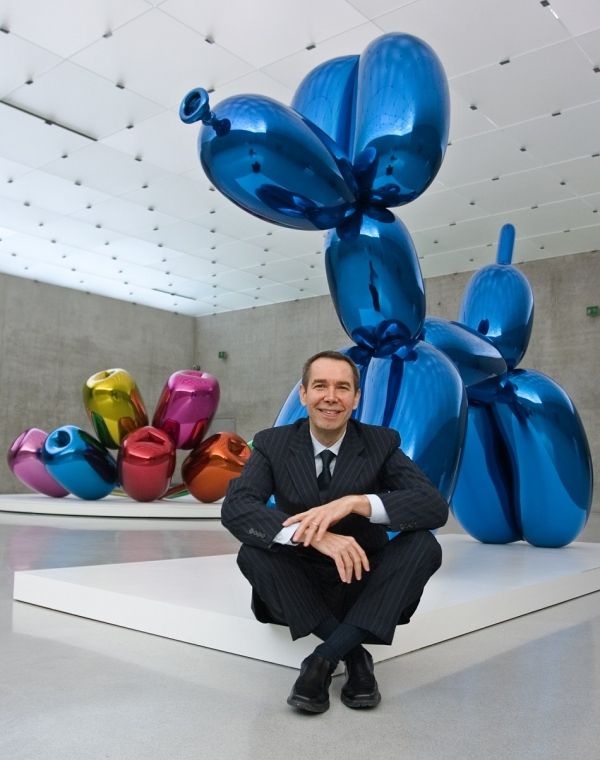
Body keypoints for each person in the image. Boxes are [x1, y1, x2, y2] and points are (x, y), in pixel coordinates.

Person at [221, 350, 448, 713]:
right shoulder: (272, 443)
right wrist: (312, 535)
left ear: (356, 398)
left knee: (424, 545)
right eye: (320, 386)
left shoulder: (381, 442)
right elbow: (236, 508)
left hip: (362, 580)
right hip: (300, 579)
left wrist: (357, 502)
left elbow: (433, 507)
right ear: (304, 394)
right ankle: (355, 655)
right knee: (252, 551)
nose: (331, 396)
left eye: (342, 387)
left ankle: (322, 659)